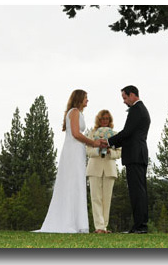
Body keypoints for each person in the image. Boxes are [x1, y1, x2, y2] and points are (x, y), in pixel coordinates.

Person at [33, 89, 103, 233]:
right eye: (86, 98)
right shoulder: (75, 112)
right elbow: (76, 134)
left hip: (76, 150)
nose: (87, 100)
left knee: (76, 183)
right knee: (72, 182)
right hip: (73, 151)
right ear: (79, 98)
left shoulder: (76, 112)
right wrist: (93, 143)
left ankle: (76, 222)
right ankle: (69, 222)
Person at [101, 85, 151, 234]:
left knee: (137, 192)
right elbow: (130, 135)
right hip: (138, 154)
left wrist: (109, 142)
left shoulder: (137, 110)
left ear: (132, 95)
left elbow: (127, 132)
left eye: (124, 97)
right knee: (138, 191)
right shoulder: (141, 109)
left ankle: (140, 227)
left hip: (135, 155)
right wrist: (113, 143)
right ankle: (140, 225)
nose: (124, 101)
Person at [86, 110, 121, 234]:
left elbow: (119, 153)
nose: (105, 121)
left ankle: (104, 226)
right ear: (99, 120)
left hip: (109, 170)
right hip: (94, 168)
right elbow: (88, 151)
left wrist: (110, 151)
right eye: (102, 119)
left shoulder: (115, 134)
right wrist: (98, 149)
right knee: (96, 198)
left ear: (110, 120)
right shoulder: (92, 133)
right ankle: (99, 226)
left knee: (107, 199)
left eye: (107, 118)